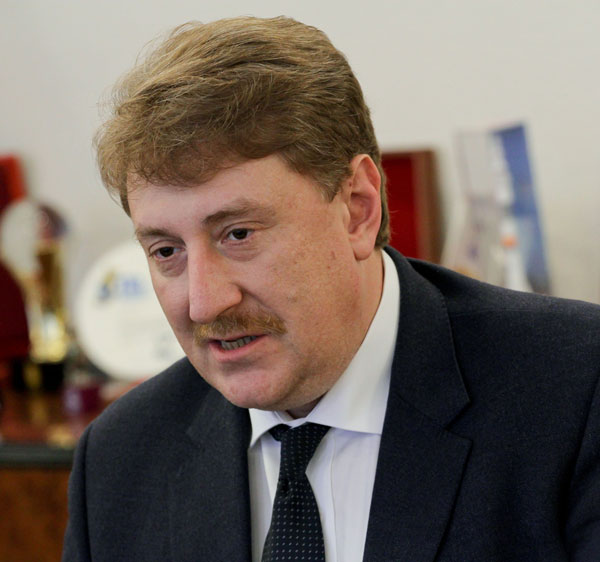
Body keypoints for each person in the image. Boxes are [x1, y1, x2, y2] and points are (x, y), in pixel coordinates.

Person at [62, 16, 600, 562]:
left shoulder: (577, 389)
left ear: (358, 209)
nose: (204, 303)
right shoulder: (119, 461)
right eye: (166, 251)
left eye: (239, 234)